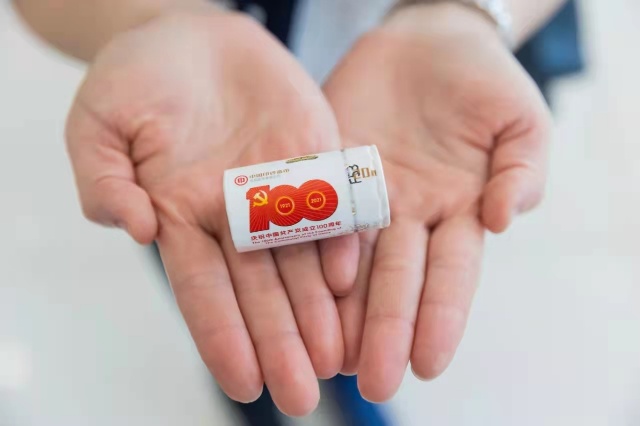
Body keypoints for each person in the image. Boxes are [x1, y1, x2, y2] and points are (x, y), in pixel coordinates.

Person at [14, 0, 573, 421]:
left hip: (419, 90)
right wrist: (146, 18)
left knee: (363, 301)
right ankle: (255, 394)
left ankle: (343, 369)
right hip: (199, 131)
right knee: (230, 312)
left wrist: (466, 16)